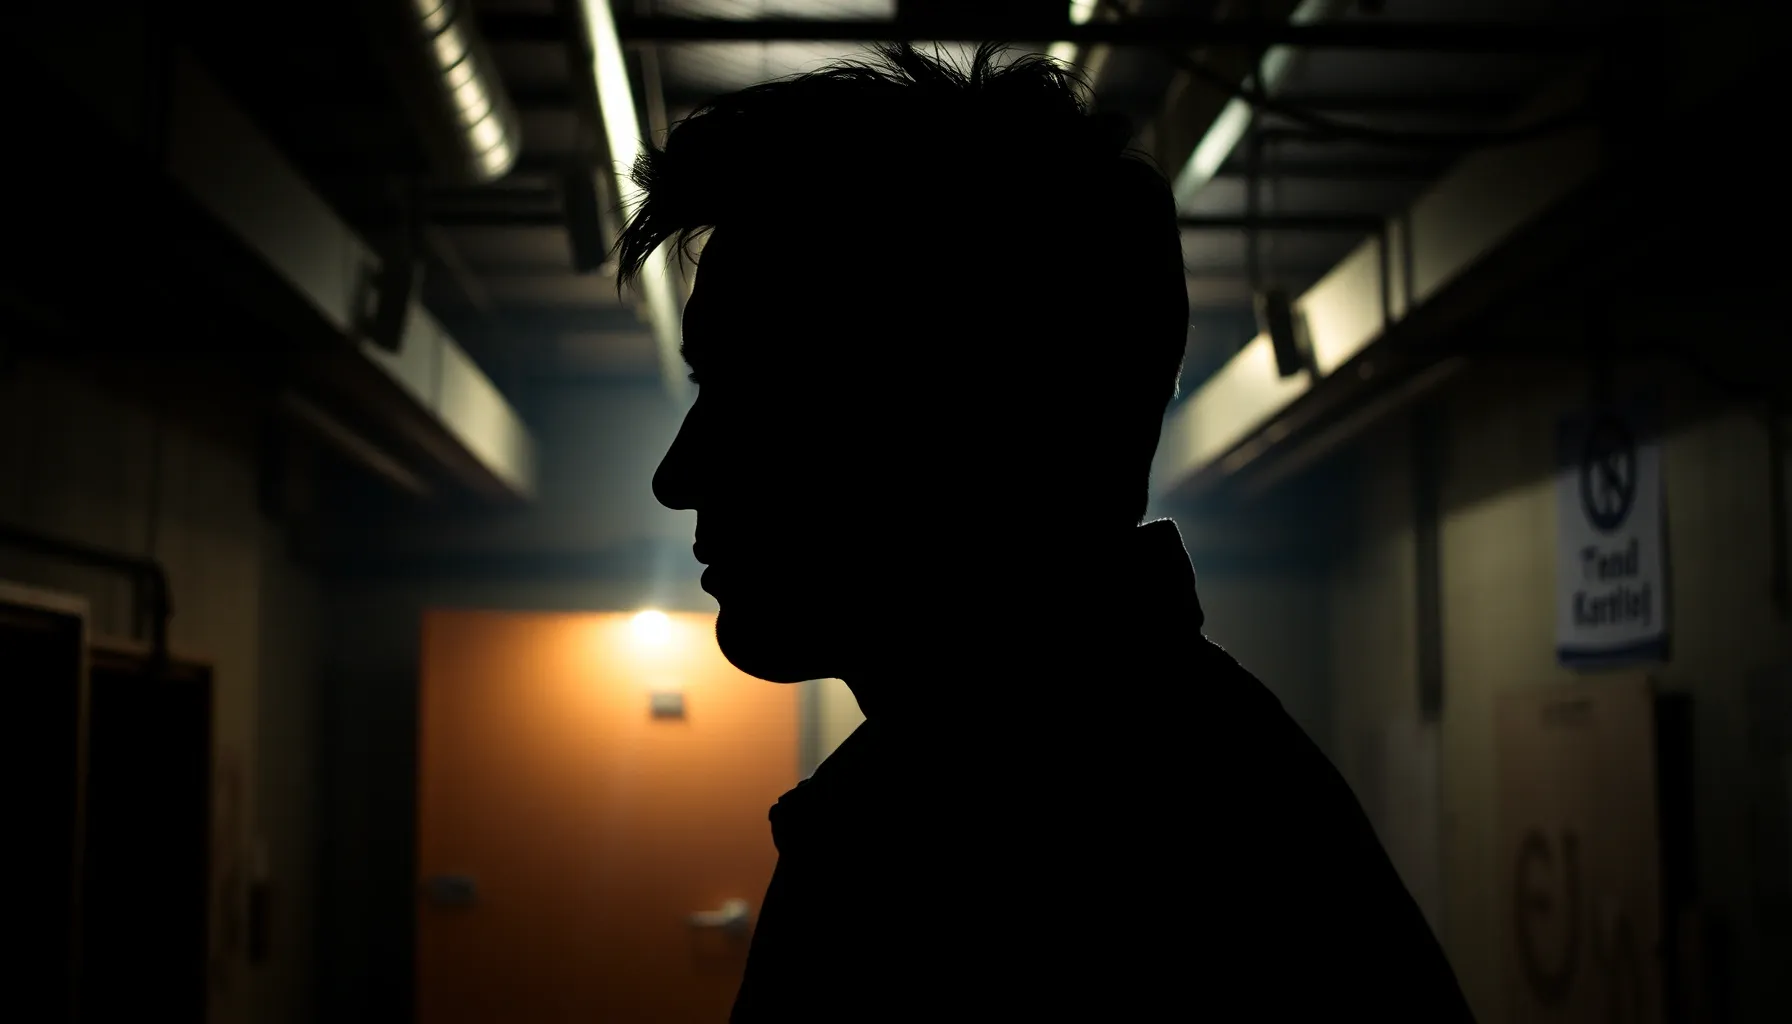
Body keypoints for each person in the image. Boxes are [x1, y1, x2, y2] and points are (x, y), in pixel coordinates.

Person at [615, 41, 1474, 1022]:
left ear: (961, 417)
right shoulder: (1185, 789)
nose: (677, 477)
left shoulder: (977, 862)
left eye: (752, 393)